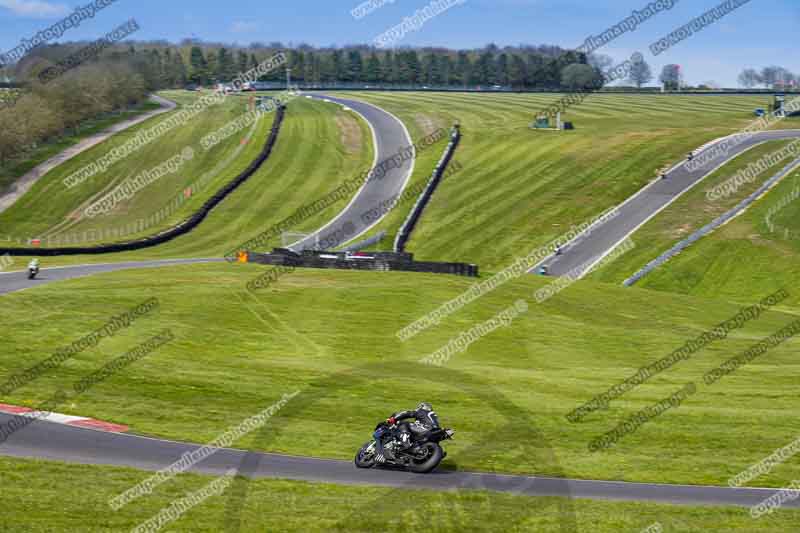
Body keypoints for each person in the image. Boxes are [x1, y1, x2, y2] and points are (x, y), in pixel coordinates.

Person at [375, 402, 440, 464]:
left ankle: (406, 444)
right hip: (432, 432)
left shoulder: (422, 411)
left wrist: (393, 419)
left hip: (424, 428)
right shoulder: (433, 415)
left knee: (404, 424)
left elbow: (407, 413)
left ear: (422, 407)